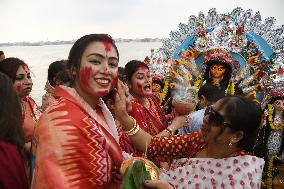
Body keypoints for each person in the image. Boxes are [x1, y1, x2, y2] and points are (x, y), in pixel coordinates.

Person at [114, 85, 264, 188]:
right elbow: (154, 145)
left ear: (236, 136)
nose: (205, 119)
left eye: (216, 119)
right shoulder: (198, 141)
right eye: (209, 112)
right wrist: (123, 117)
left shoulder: (241, 176)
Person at [32, 34, 125, 189]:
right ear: (74, 69)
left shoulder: (97, 108)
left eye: (113, 64)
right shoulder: (60, 121)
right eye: (95, 61)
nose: (106, 70)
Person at [123, 60, 187, 156]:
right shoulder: (133, 107)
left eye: (148, 76)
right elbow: (147, 146)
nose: (147, 80)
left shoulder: (151, 98)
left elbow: (158, 121)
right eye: (140, 77)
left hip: (165, 150)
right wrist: (173, 127)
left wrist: (172, 116)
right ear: (129, 83)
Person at [0, 72, 29, 189]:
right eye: (20, 78)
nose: (28, 82)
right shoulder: (5, 154)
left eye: (29, 76)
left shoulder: (31, 103)